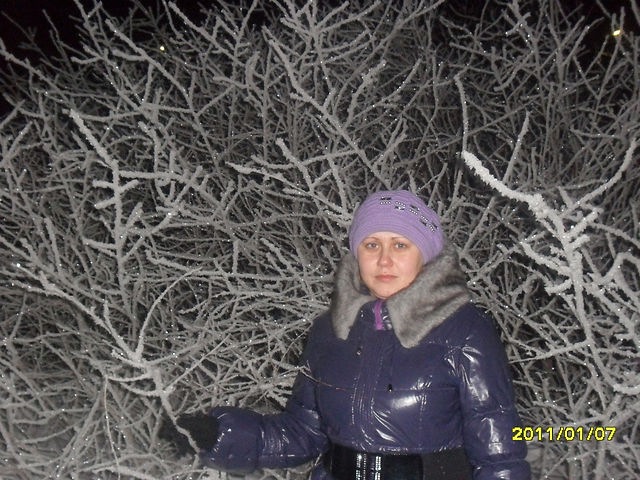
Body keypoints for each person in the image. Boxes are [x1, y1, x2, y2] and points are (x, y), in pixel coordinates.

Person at [160, 190, 531, 479]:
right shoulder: (330, 330)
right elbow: (302, 434)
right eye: (372, 245)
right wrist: (217, 434)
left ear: (426, 255)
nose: (384, 259)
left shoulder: (465, 330)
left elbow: (499, 455)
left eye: (400, 245)